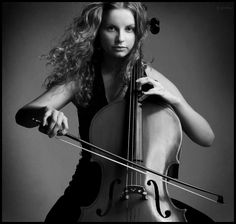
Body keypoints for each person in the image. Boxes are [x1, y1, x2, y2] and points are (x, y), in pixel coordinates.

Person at [15, 2, 215, 222]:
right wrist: (45, 112)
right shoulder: (82, 78)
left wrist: (177, 102)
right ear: (97, 31)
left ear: (138, 32)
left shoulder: (150, 76)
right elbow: (24, 116)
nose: (121, 38)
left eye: (129, 29)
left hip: (147, 195)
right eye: (111, 28)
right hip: (90, 189)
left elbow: (206, 137)